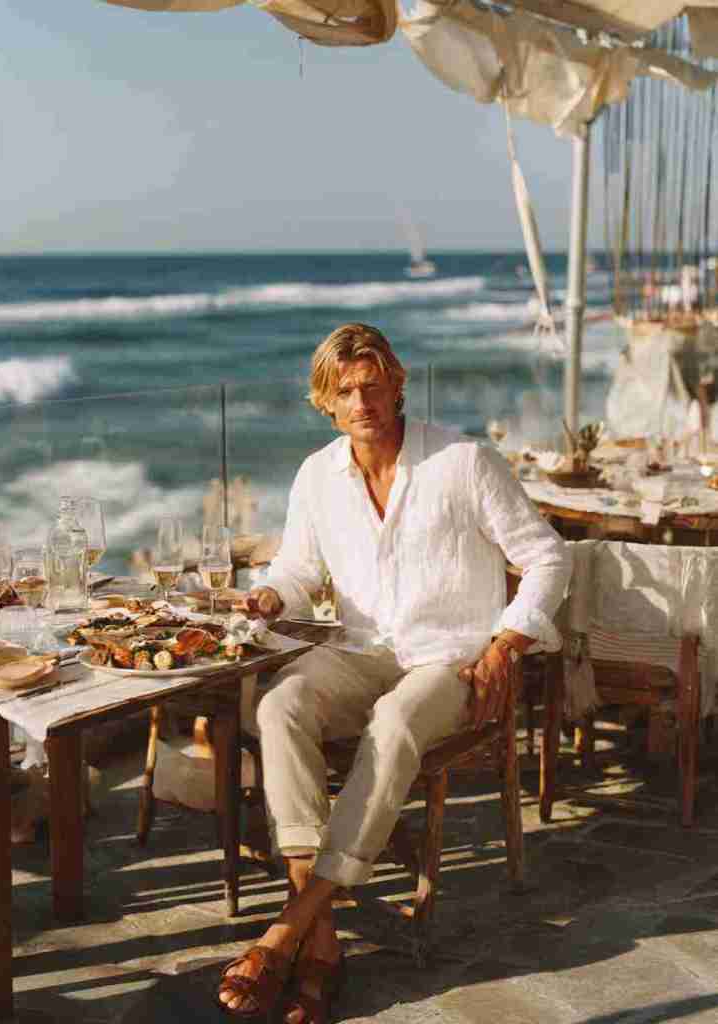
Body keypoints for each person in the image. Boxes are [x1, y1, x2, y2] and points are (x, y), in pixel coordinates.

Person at [217, 323, 572, 1023]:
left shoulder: (464, 462)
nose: (362, 402)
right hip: (360, 651)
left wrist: (505, 644)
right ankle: (318, 938)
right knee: (279, 705)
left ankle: (285, 934)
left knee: (397, 720)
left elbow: (547, 557)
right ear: (325, 402)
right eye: (345, 391)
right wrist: (269, 597)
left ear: (397, 384)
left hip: (451, 660)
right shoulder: (317, 475)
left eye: (373, 385)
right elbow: (296, 571)